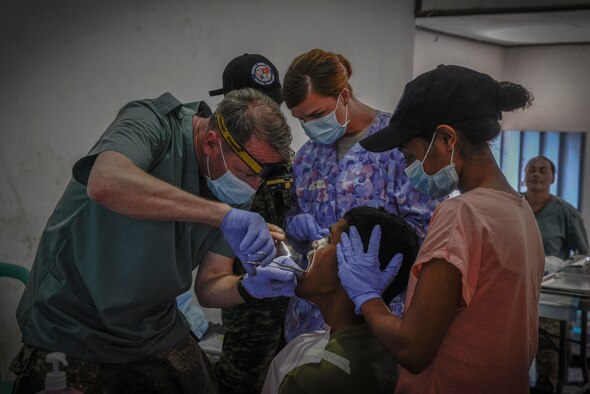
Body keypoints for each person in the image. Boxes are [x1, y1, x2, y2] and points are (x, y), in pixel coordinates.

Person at [10, 88, 301, 394]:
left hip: (155, 326)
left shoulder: (235, 187)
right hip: (74, 323)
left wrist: (249, 287)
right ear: (212, 143)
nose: (254, 186)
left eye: (261, 176)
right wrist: (221, 216)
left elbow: (209, 285)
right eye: (248, 173)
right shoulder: (152, 124)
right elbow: (105, 181)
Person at [336, 65, 545, 393]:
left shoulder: (461, 214)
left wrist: (367, 296)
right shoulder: (520, 211)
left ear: (446, 138)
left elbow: (413, 350)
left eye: (409, 156)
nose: (407, 170)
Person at [281, 48, 439, 342]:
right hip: (311, 318)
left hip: (376, 312)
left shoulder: (397, 147)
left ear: (343, 96)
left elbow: (427, 230)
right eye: (300, 119)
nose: (310, 127)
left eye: (316, 115)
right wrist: (293, 226)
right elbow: (291, 214)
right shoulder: (306, 158)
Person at [209, 53, 295, 394]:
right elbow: (211, 275)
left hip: (291, 302)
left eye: (273, 106)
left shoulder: (285, 159)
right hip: (246, 302)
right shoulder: (216, 171)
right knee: (240, 382)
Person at [262, 206, 419, 394]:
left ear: (351, 269)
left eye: (328, 240)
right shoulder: (384, 351)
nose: (314, 244)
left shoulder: (312, 378)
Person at [523, 155, 589, 392]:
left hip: (550, 297)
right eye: (531, 169)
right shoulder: (512, 205)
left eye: (543, 170)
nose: (536, 174)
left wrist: (557, 266)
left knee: (550, 357)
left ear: (552, 177)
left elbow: (583, 257)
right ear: (524, 175)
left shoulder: (565, 212)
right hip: (513, 292)